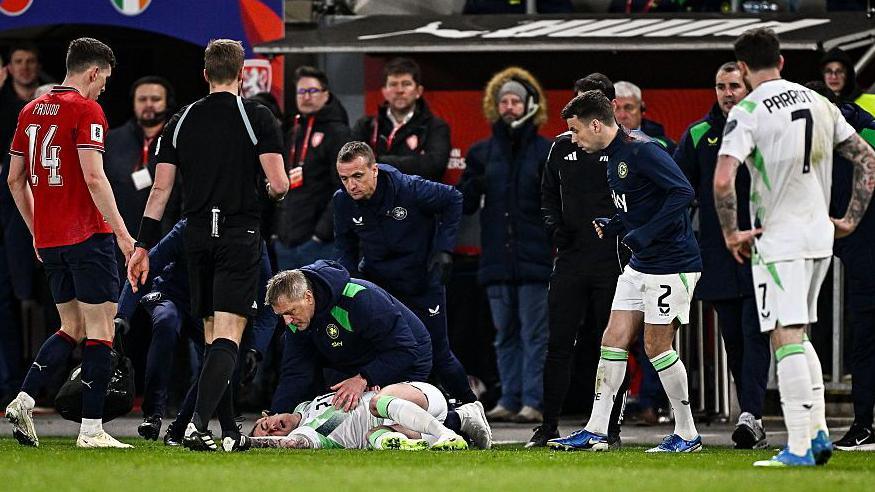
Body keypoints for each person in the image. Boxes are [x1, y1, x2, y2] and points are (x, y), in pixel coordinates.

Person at [714, 28, 875, 467]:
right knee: (799, 332)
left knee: (783, 334)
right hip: (819, 235)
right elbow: (867, 158)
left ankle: (800, 445)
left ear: (743, 68)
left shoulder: (748, 110)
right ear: (781, 61)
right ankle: (818, 434)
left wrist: (731, 233)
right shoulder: (820, 102)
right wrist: (850, 220)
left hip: (778, 238)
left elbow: (724, 179)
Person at [127, 39, 289, 452]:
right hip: (238, 233)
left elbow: (160, 190)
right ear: (241, 75)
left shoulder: (180, 119)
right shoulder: (257, 116)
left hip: (196, 235)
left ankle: (229, 430)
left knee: (214, 336)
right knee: (229, 336)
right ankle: (198, 426)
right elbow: (279, 183)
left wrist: (142, 246)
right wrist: (268, 191)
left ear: (205, 74)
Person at [548, 90, 703, 453]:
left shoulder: (643, 150)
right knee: (612, 339)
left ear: (595, 125)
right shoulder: (612, 155)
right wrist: (616, 223)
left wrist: (646, 233)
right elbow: (639, 202)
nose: (573, 138)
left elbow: (683, 192)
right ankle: (596, 430)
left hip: (671, 263)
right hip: (641, 264)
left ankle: (687, 434)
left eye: (575, 130)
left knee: (656, 346)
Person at [5, 38, 135, 448]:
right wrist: (123, 234)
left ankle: (24, 400)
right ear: (93, 72)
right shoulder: (86, 109)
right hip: (87, 235)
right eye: (104, 80)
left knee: (71, 326)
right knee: (100, 330)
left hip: (51, 240)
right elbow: (94, 177)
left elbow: (14, 179)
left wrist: (36, 231)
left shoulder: (30, 110)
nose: (103, 89)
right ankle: (91, 429)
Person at [333, 141, 476, 404]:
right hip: (380, 284)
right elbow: (345, 246)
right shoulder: (342, 201)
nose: (351, 185)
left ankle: (470, 406)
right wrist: (351, 283)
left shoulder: (409, 188)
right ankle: (385, 414)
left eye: (358, 176)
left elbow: (453, 198)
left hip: (421, 280)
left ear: (374, 170)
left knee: (439, 353)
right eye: (344, 178)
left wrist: (444, 250)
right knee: (380, 352)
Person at [673, 62, 770, 449]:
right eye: (720, 86)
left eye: (734, 86)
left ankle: (751, 414)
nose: (727, 93)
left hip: (763, 251)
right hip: (718, 254)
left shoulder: (767, 128)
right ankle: (751, 415)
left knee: (755, 333)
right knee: (734, 340)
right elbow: (678, 187)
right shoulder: (699, 134)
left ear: (747, 88)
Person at [530, 73, 627, 447]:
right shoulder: (560, 147)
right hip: (570, 259)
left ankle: (610, 428)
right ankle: (548, 425)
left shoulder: (629, 148)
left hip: (613, 261)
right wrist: (554, 227)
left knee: (611, 346)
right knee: (558, 343)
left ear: (609, 107)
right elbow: (546, 196)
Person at [115, 218, 275, 443]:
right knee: (167, 321)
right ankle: (153, 414)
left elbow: (268, 299)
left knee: (219, 359)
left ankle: (180, 428)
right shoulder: (190, 227)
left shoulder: (250, 238)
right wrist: (122, 314)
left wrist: (256, 348)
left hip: (208, 308)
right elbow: (146, 266)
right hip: (173, 295)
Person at [458, 67, 551, 423]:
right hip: (496, 260)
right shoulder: (481, 152)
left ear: (530, 105)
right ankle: (509, 399)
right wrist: (472, 183)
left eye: (516, 101)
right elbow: (465, 203)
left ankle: (533, 401)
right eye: (504, 101)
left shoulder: (546, 151)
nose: (509, 107)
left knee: (534, 335)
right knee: (504, 335)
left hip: (535, 259)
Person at [804, 81, 875, 452]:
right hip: (856, 253)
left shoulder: (862, 133)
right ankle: (863, 424)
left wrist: (847, 222)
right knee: (863, 341)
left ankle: (863, 424)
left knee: (864, 341)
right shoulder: (811, 137)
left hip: (861, 248)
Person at [265, 260, 434, 413]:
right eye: (282, 315)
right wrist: (276, 414)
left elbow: (405, 349)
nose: (287, 321)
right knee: (339, 413)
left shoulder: (359, 299)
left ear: (308, 297)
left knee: (383, 413)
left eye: (291, 312)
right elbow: (295, 371)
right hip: (354, 359)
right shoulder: (296, 319)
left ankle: (445, 419)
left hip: (409, 356)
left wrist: (364, 378)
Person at [251, 382, 491, 451]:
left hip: (415, 396)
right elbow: (292, 443)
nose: (272, 429)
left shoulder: (307, 406)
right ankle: (458, 423)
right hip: (403, 424)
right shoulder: (310, 433)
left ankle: (447, 431)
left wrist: (365, 383)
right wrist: (247, 441)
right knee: (378, 436)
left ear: (267, 415)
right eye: (269, 435)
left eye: (264, 425)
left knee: (378, 401)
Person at [105, 76, 181, 284]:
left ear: (168, 102)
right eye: (142, 99)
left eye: (155, 99)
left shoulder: (180, 139)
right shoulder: (112, 139)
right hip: (121, 243)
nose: (148, 104)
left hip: (167, 238)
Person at [273, 66, 350, 270]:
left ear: (326, 94)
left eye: (312, 91)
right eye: (301, 91)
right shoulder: (293, 131)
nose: (306, 97)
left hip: (319, 244)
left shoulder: (338, 133)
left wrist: (321, 234)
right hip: (285, 243)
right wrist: (277, 232)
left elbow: (344, 187)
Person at [351, 57, 450, 183]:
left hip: (417, 194)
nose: (399, 90)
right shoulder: (365, 126)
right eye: (393, 84)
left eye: (406, 84)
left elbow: (434, 166)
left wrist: (377, 161)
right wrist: (414, 162)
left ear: (418, 91)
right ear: (384, 92)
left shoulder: (436, 127)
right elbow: (352, 163)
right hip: (377, 194)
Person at [613, 80, 676, 153]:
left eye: (629, 108)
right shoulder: (601, 140)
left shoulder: (658, 139)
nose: (622, 115)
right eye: (616, 108)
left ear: (642, 108)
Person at [820, 48, 875, 117]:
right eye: (828, 71)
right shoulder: (815, 104)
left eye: (839, 71)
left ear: (848, 74)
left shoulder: (873, 102)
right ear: (822, 75)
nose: (834, 77)